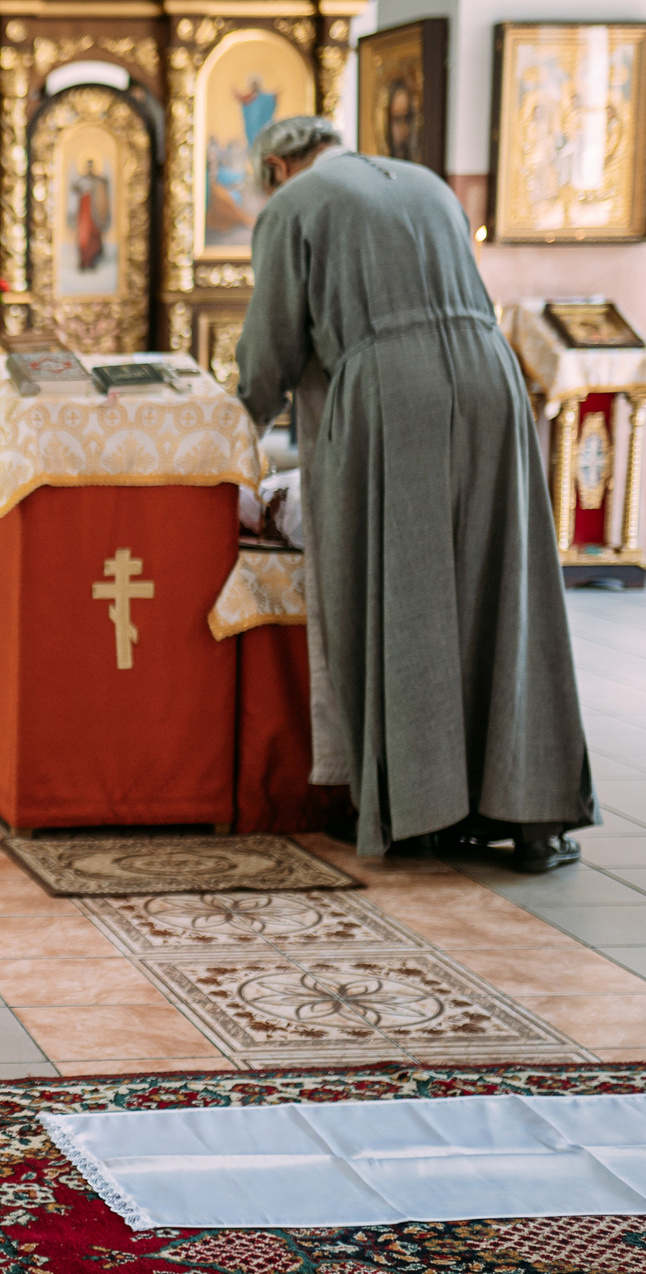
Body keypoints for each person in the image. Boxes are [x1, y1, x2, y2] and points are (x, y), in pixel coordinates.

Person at [235, 114, 595, 872]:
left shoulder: (293, 208)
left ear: (276, 166)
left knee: (406, 596)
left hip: (392, 391)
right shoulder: (428, 183)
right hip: (491, 377)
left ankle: (414, 815)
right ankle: (533, 820)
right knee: (505, 593)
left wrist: (233, 423)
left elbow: (269, 352)